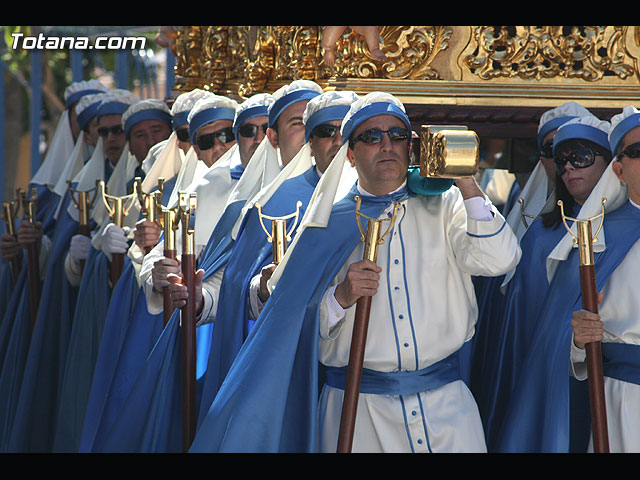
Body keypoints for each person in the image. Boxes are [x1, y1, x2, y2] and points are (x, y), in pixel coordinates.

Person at [190, 91, 521, 453]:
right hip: (357, 413)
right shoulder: (325, 223)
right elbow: (287, 324)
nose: (386, 145)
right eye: (371, 136)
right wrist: (339, 298)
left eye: (397, 135)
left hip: (447, 413)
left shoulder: (448, 205)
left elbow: (500, 259)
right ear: (350, 153)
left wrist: (467, 182)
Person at [194, 90, 359, 429]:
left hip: (370, 371)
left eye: (348, 129)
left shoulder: (384, 194)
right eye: (323, 130)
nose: (338, 140)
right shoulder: (271, 202)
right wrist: (262, 289)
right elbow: (234, 287)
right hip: (292, 367)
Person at [492, 115, 635, 453]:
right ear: (620, 168)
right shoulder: (584, 238)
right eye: (560, 159)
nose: (569, 167)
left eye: (581, 156)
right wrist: (575, 342)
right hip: (614, 393)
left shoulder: (601, 231)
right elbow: (546, 331)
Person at [469, 102, 594, 449]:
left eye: (578, 151)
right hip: (538, 376)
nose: (564, 162)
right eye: (552, 150)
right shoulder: (534, 235)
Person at [569, 105, 640, 453]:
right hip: (623, 400)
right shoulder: (596, 237)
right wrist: (577, 339)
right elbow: (558, 337)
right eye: (638, 151)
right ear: (618, 169)